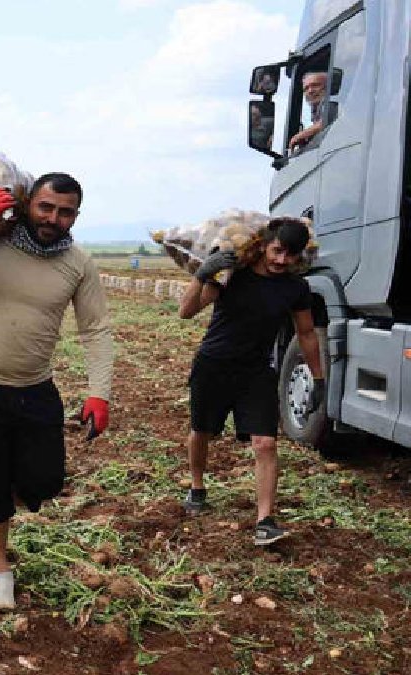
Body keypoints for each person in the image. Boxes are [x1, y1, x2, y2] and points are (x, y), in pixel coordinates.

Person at [0, 173, 114, 609]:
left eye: (65, 211)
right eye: (46, 207)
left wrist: (99, 392)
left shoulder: (77, 263)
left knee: (45, 479)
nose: (54, 218)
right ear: (28, 203)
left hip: (34, 385)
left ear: (76, 215)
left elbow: (95, 329)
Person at [178, 218, 322, 546]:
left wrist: (319, 378)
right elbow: (185, 312)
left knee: (266, 443)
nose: (282, 261)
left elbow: (307, 333)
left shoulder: (295, 288)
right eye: (277, 251)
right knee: (202, 431)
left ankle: (265, 521)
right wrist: (203, 274)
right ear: (263, 245)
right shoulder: (233, 274)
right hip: (213, 366)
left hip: (256, 371)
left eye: (291, 255)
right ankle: (197, 487)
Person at [289, 71, 328, 151]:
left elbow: (329, 120)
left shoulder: (332, 104)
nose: (310, 91)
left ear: (328, 87)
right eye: (306, 88)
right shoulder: (316, 112)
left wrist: (299, 136)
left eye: (315, 85)